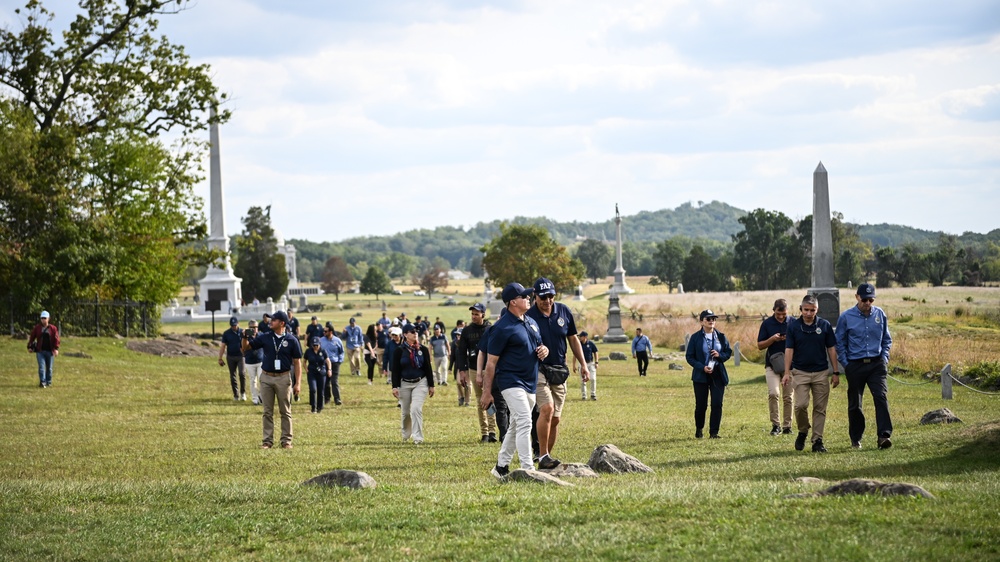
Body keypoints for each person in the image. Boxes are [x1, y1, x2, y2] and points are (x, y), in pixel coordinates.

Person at [482, 282, 548, 478]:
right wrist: (486, 392)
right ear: (512, 302)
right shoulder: (501, 328)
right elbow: (491, 363)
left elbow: (540, 345)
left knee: (516, 424)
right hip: (510, 381)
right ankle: (528, 468)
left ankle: (501, 467)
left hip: (530, 381)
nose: (528, 298)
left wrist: (545, 350)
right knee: (525, 421)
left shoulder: (531, 322)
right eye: (524, 296)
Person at [525, 277, 588, 470]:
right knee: (547, 409)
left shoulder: (564, 311)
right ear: (535, 296)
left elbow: (573, 339)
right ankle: (542, 454)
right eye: (543, 296)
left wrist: (584, 364)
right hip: (538, 369)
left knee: (556, 418)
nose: (547, 300)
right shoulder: (528, 316)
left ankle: (546, 458)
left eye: (551, 296)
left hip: (559, 370)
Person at [836, 283, 894, 450]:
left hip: (876, 364)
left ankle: (884, 436)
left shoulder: (880, 314)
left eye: (871, 300)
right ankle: (856, 438)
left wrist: (884, 358)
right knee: (855, 404)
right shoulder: (846, 317)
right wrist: (846, 364)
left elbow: (886, 339)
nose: (867, 303)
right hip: (855, 364)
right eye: (864, 299)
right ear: (857, 297)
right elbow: (840, 342)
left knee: (881, 397)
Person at [782, 295, 839, 453]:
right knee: (800, 405)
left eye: (812, 310)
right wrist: (787, 372)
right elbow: (789, 350)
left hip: (821, 372)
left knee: (820, 408)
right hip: (800, 372)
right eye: (806, 310)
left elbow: (831, 349)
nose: (809, 313)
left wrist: (835, 372)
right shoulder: (793, 327)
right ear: (801, 309)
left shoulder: (824, 325)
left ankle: (817, 441)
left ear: (817, 310)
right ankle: (803, 431)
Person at [242, 310, 302, 449]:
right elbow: (246, 348)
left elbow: (297, 362)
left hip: (283, 378)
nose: (270, 322)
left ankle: (286, 441)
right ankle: (267, 441)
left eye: (273, 320)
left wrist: (298, 383)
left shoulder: (292, 340)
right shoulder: (265, 337)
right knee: (267, 411)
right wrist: (244, 337)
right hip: (266, 377)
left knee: (285, 411)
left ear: (282, 323)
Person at [685, 310, 732, 439]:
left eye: (713, 319)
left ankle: (714, 432)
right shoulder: (695, 338)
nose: (711, 321)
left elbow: (728, 352)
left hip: (717, 374)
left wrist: (720, 355)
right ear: (701, 322)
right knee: (701, 405)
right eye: (708, 319)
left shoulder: (721, 336)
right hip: (701, 375)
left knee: (717, 403)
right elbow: (689, 357)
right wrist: (702, 367)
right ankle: (699, 428)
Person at [457, 303, 496, 442]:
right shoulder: (467, 331)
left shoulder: (490, 328)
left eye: (476, 314)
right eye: (472, 314)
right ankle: (484, 432)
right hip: (473, 369)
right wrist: (462, 371)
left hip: (490, 368)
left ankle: (493, 431)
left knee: (490, 398)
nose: (474, 316)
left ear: (483, 315)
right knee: (480, 400)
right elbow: (461, 352)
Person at [391, 324, 435, 444]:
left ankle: (418, 438)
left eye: (416, 331)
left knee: (415, 409)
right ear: (405, 334)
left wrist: (431, 385)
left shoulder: (423, 349)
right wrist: (394, 387)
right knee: (405, 412)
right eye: (412, 331)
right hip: (404, 383)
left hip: (420, 382)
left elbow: (428, 368)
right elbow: (395, 370)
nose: (415, 333)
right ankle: (406, 435)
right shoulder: (399, 351)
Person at [758, 299, 792, 436]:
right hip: (772, 364)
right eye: (778, 313)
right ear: (774, 310)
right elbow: (760, 345)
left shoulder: (793, 322)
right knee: (773, 393)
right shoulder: (766, 324)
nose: (781, 316)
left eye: (783, 314)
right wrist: (772, 339)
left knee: (788, 397)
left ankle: (787, 426)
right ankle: (775, 425)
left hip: (789, 365)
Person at [218, 316, 247, 401]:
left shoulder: (242, 332)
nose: (234, 327)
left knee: (242, 374)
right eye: (232, 325)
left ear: (238, 324)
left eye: (235, 325)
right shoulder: (226, 333)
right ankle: (236, 395)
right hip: (230, 356)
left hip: (241, 356)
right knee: (232, 376)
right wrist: (220, 358)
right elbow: (223, 346)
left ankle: (243, 392)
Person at [28, 310, 60, 388]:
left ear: (48, 319)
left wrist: (56, 348)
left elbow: (56, 339)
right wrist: (30, 346)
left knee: (49, 368)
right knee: (41, 367)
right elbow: (32, 337)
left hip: (50, 351)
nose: (43, 320)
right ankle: (42, 382)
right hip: (40, 351)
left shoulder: (53, 328)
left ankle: (48, 382)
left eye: (45, 318)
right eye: (42, 318)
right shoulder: (37, 328)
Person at [304, 337, 332, 413]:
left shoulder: (323, 351)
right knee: (313, 389)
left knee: (321, 390)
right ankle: (313, 407)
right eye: (314, 345)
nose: (315, 347)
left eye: (317, 345)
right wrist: (306, 370)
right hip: (312, 373)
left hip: (321, 373)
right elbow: (304, 361)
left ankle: (320, 407)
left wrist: (329, 369)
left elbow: (328, 361)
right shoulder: (308, 351)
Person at [319, 324, 345, 405]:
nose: (324, 332)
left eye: (326, 331)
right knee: (326, 382)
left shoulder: (337, 341)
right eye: (324, 331)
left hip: (335, 363)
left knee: (334, 381)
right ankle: (327, 398)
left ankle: (337, 399)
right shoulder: (321, 340)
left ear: (331, 332)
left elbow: (341, 352)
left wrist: (339, 361)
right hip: (324, 363)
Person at [243, 320, 264, 405]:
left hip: (260, 361)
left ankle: (261, 396)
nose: (254, 329)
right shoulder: (246, 336)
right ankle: (255, 398)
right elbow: (244, 347)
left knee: (262, 379)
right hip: (250, 362)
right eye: (252, 327)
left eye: (256, 327)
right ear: (249, 328)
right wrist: (245, 337)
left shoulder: (261, 335)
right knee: (253, 380)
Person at [577, 331, 599, 400]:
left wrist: (596, 362)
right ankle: (584, 395)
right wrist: (574, 365)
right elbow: (575, 355)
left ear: (585, 337)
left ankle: (593, 394)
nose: (579, 338)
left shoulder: (591, 343)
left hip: (590, 363)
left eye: (581, 336)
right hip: (581, 364)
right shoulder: (578, 344)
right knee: (583, 380)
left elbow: (595, 352)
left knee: (593, 379)